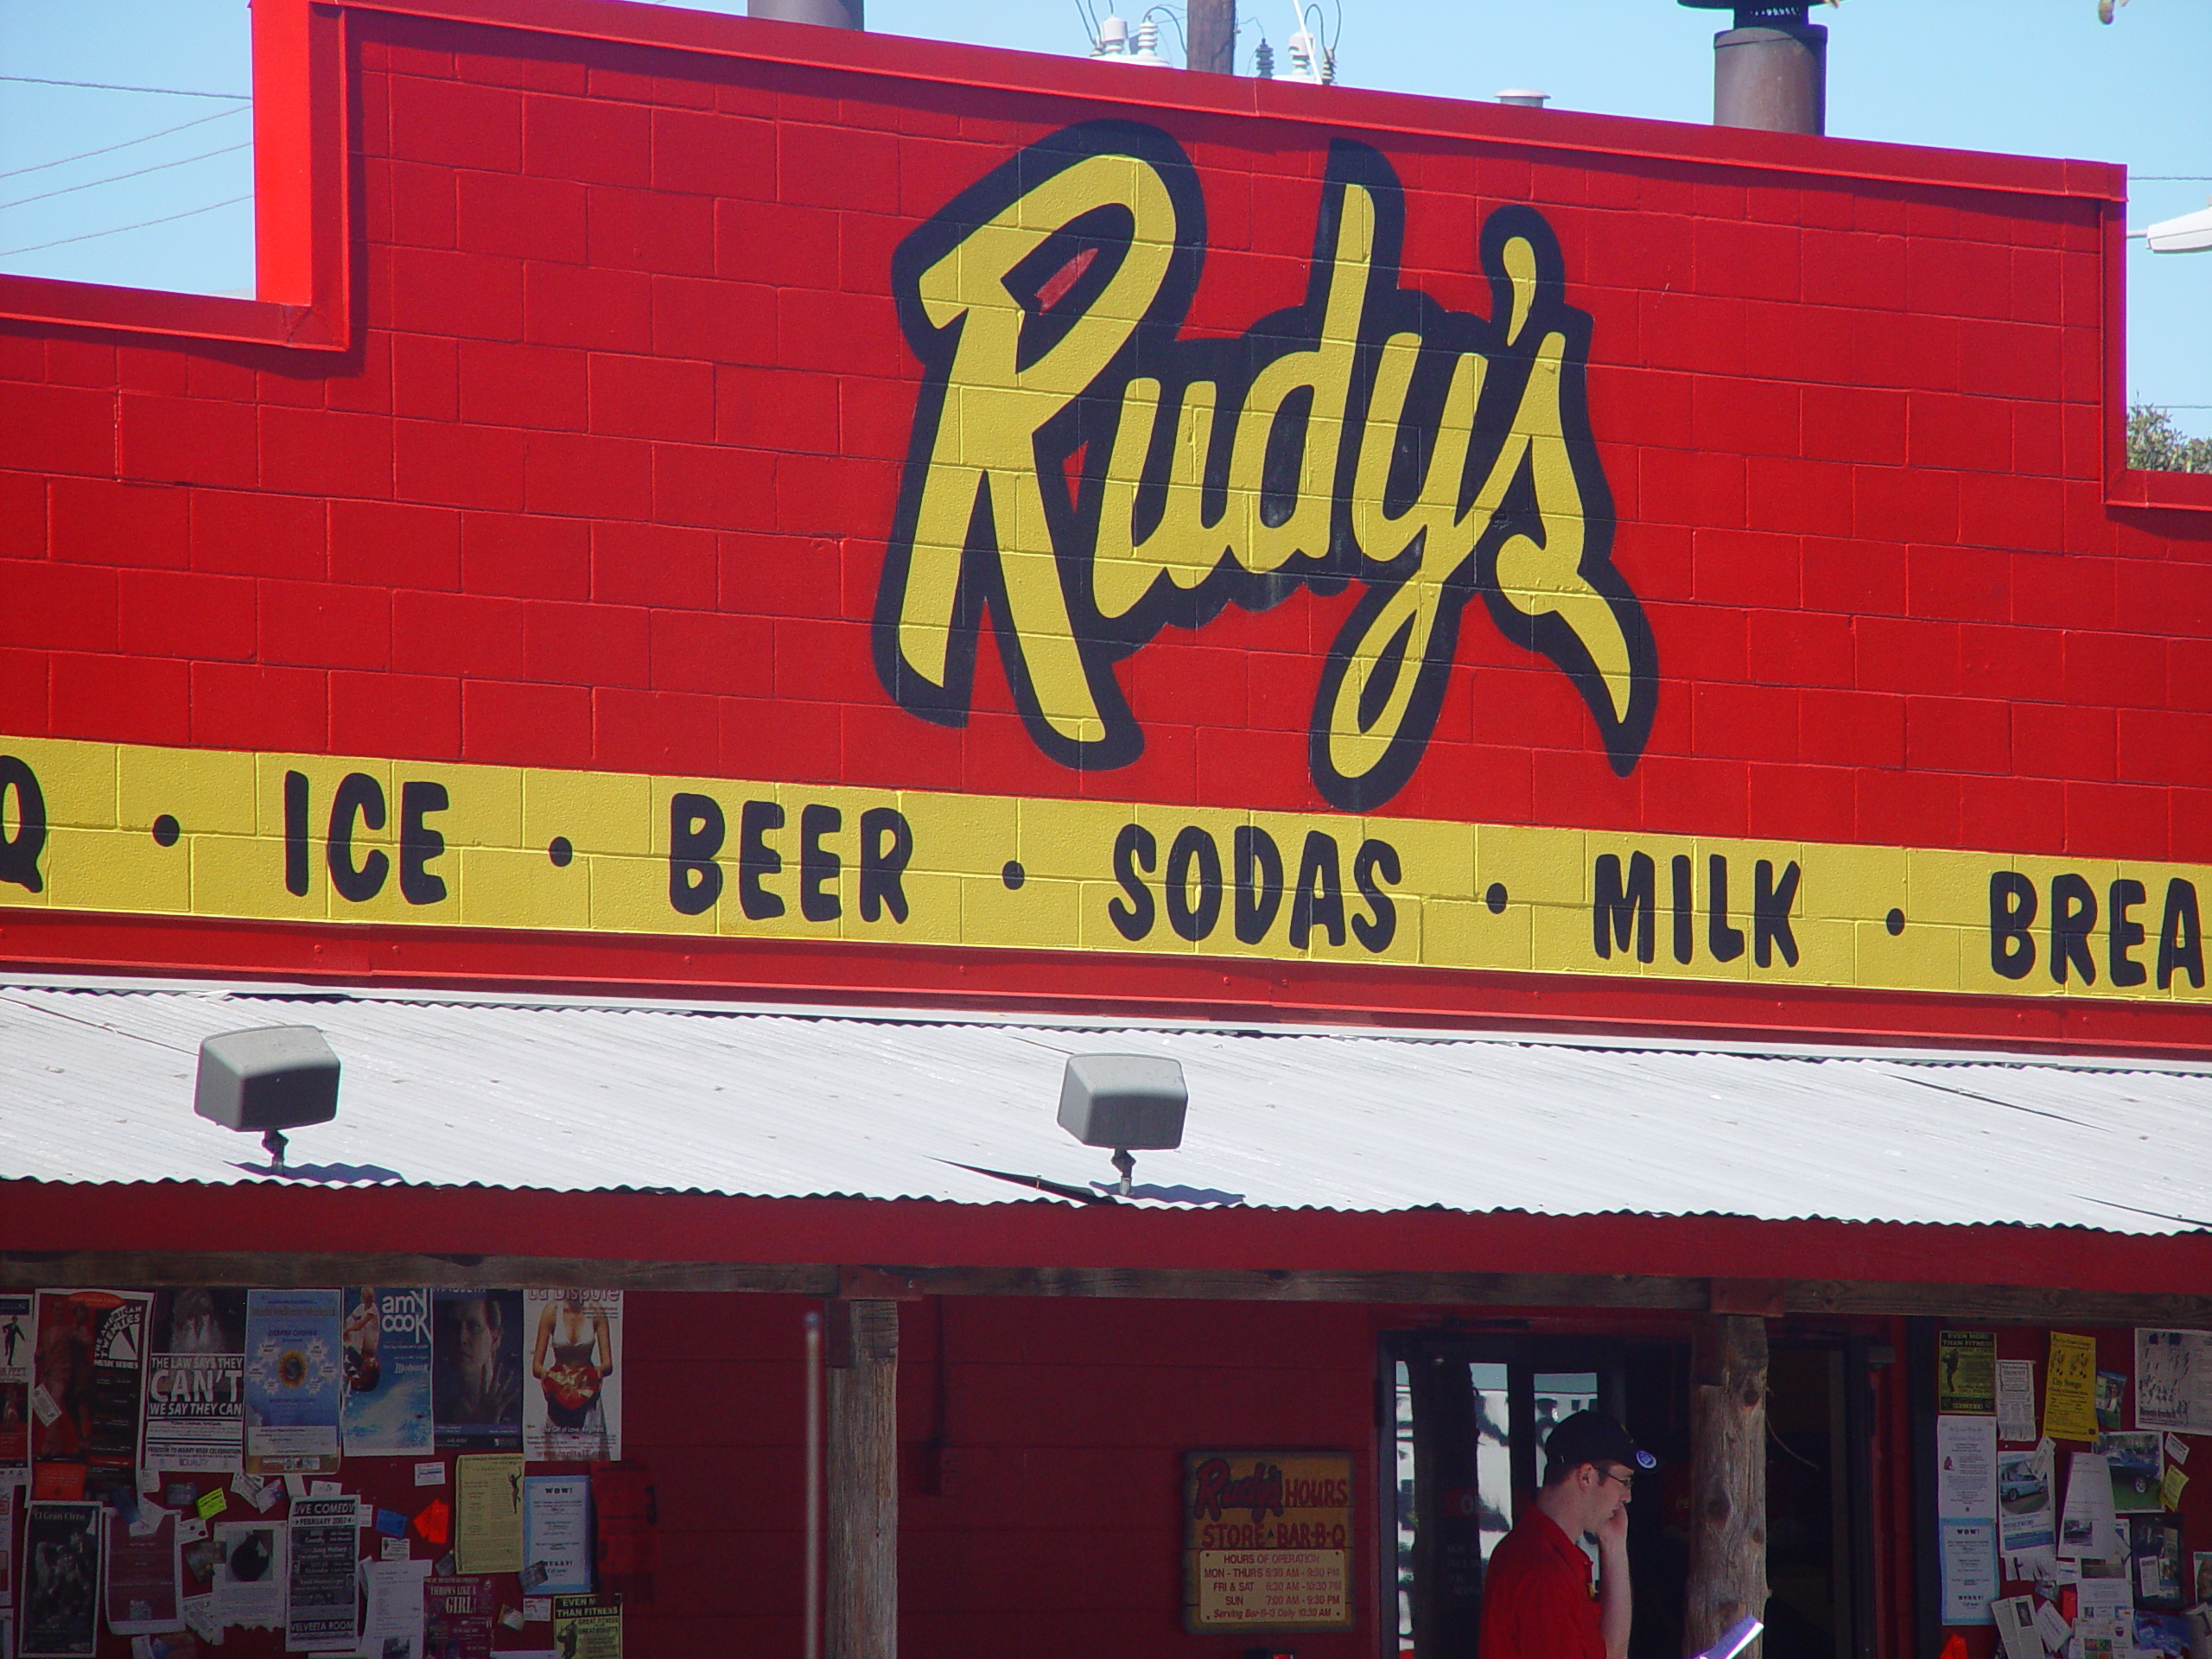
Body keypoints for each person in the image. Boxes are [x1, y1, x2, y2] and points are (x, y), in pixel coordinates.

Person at [1478, 1408, 1655, 1659]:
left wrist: (1614, 1544)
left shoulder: (1547, 1551)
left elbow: (1612, 1652)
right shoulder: (1544, 1571)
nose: (1627, 1497)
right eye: (1625, 1481)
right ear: (1586, 1477)